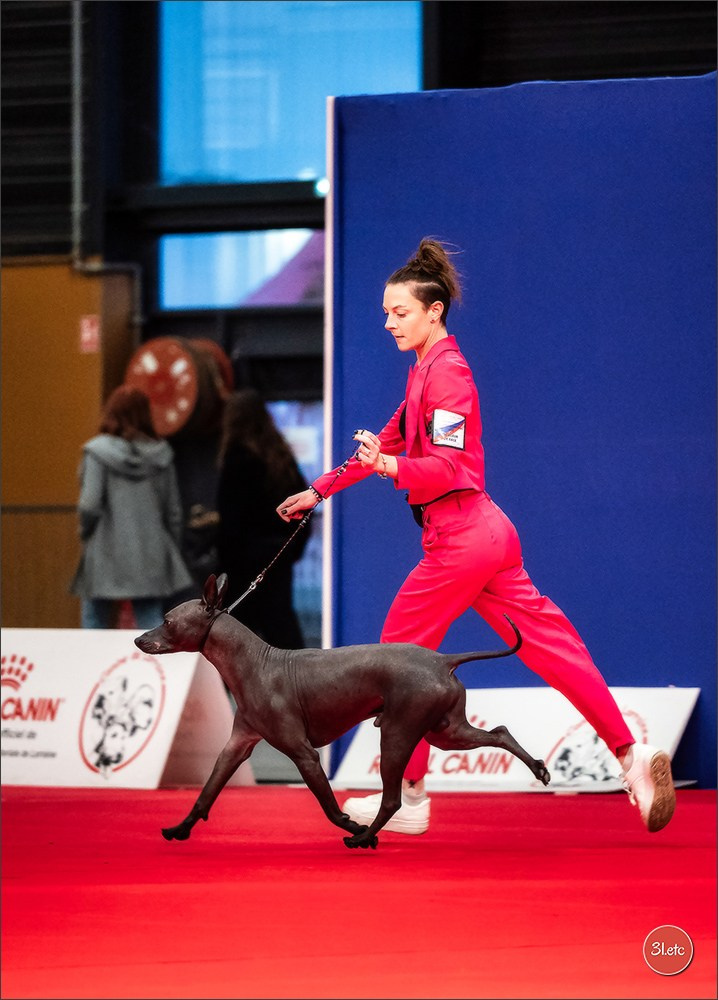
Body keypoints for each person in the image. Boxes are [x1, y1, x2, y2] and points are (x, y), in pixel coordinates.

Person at [277, 236, 676, 836]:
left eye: (400, 312)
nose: (388, 322)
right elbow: (384, 442)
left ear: (434, 311)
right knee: (554, 648)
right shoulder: (424, 372)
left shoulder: (450, 376)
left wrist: (388, 468)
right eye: (385, 312)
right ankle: (630, 755)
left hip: (462, 539)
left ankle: (408, 799)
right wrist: (320, 490)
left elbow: (449, 469)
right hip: (484, 540)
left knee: (396, 664)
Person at [70, 385, 193, 629]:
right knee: (150, 621)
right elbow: (174, 512)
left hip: (105, 549)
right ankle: (154, 666)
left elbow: (89, 504)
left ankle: (95, 667)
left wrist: (86, 532)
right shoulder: (162, 455)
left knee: (95, 620)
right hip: (151, 549)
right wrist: (170, 548)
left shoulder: (97, 452)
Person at [215, 388, 310, 649]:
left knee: (238, 640)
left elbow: (232, 521)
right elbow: (304, 506)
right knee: (281, 630)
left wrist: (222, 563)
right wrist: (290, 551)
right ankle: (302, 686)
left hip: (244, 563)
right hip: (277, 559)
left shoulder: (237, 458)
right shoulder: (280, 456)